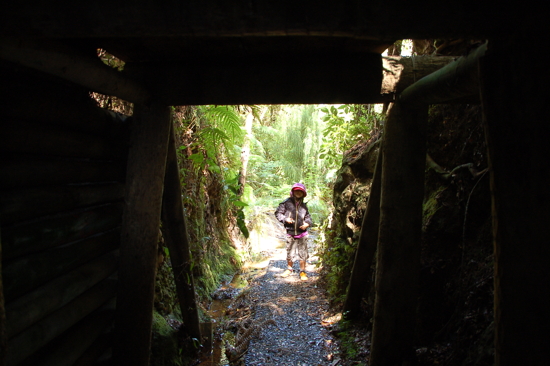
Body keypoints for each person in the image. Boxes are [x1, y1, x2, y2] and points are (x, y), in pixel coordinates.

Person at [275, 183, 313, 280]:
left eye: (300, 191)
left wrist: (307, 224)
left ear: (303, 193)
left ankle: (302, 271)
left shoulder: (304, 206)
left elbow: (308, 218)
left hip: (302, 233)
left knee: (303, 253)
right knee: (290, 252)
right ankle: (289, 269)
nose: (298, 193)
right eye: (296, 191)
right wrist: (285, 219)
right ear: (293, 192)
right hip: (290, 232)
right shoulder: (286, 203)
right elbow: (278, 213)